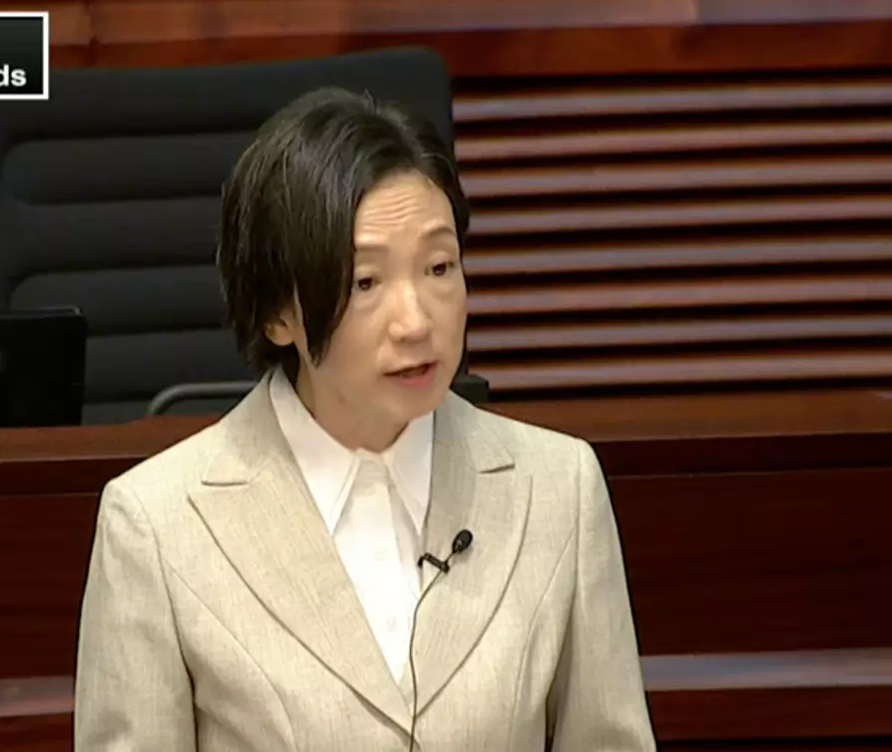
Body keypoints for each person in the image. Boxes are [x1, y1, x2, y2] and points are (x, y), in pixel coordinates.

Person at [74, 86, 656, 752]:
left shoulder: (560, 488)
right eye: (365, 282)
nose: (417, 322)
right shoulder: (155, 526)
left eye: (439, 267)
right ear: (278, 314)